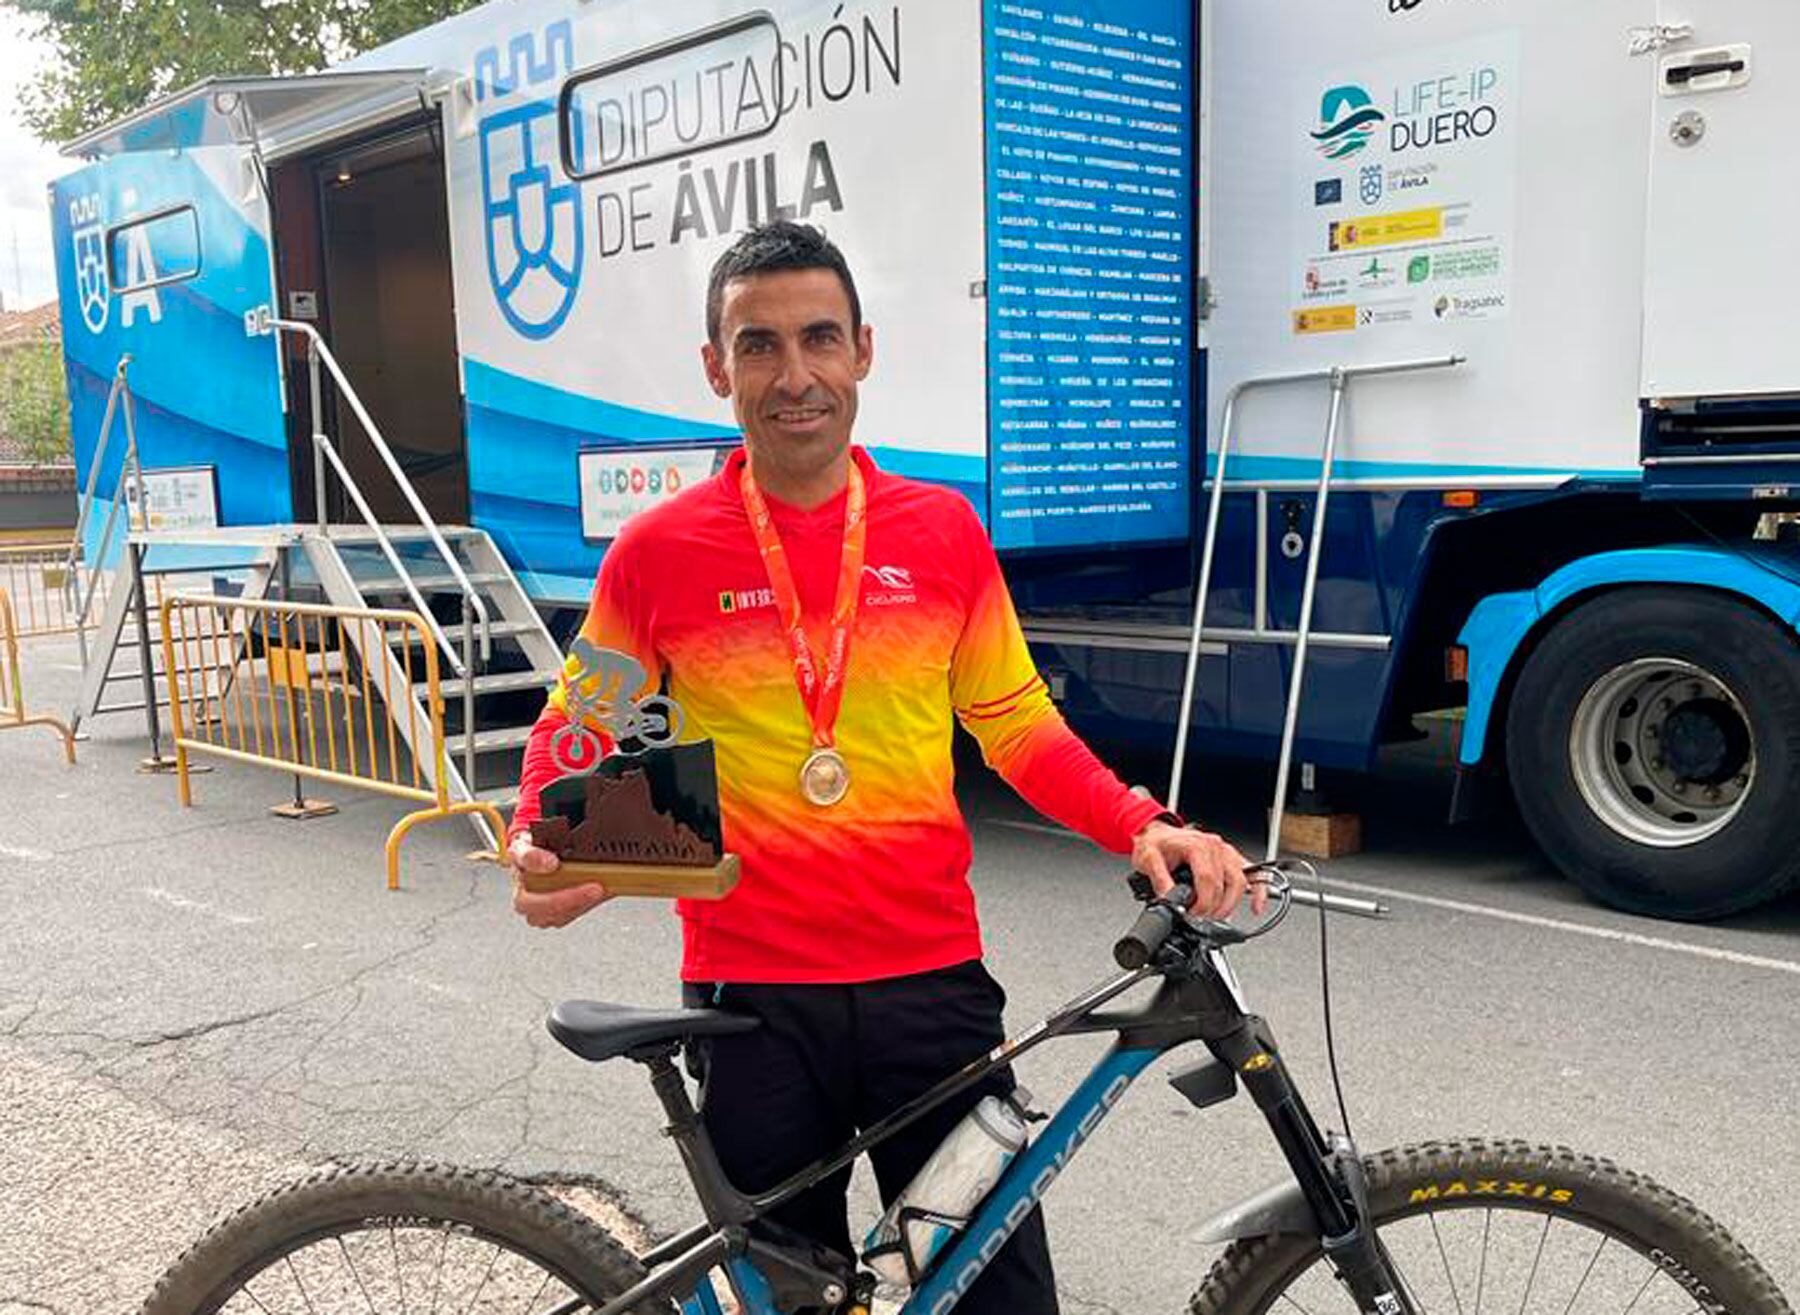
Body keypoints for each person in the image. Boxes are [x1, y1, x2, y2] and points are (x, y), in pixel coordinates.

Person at [507, 220, 1254, 1314]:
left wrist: (1140, 821)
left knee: (995, 1298)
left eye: (819, 337)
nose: (794, 375)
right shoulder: (657, 553)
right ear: (716, 368)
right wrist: (542, 830)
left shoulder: (942, 531)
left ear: (863, 349)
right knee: (788, 1299)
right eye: (758, 345)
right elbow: (581, 721)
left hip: (931, 989)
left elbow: (1016, 723)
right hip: (752, 1001)